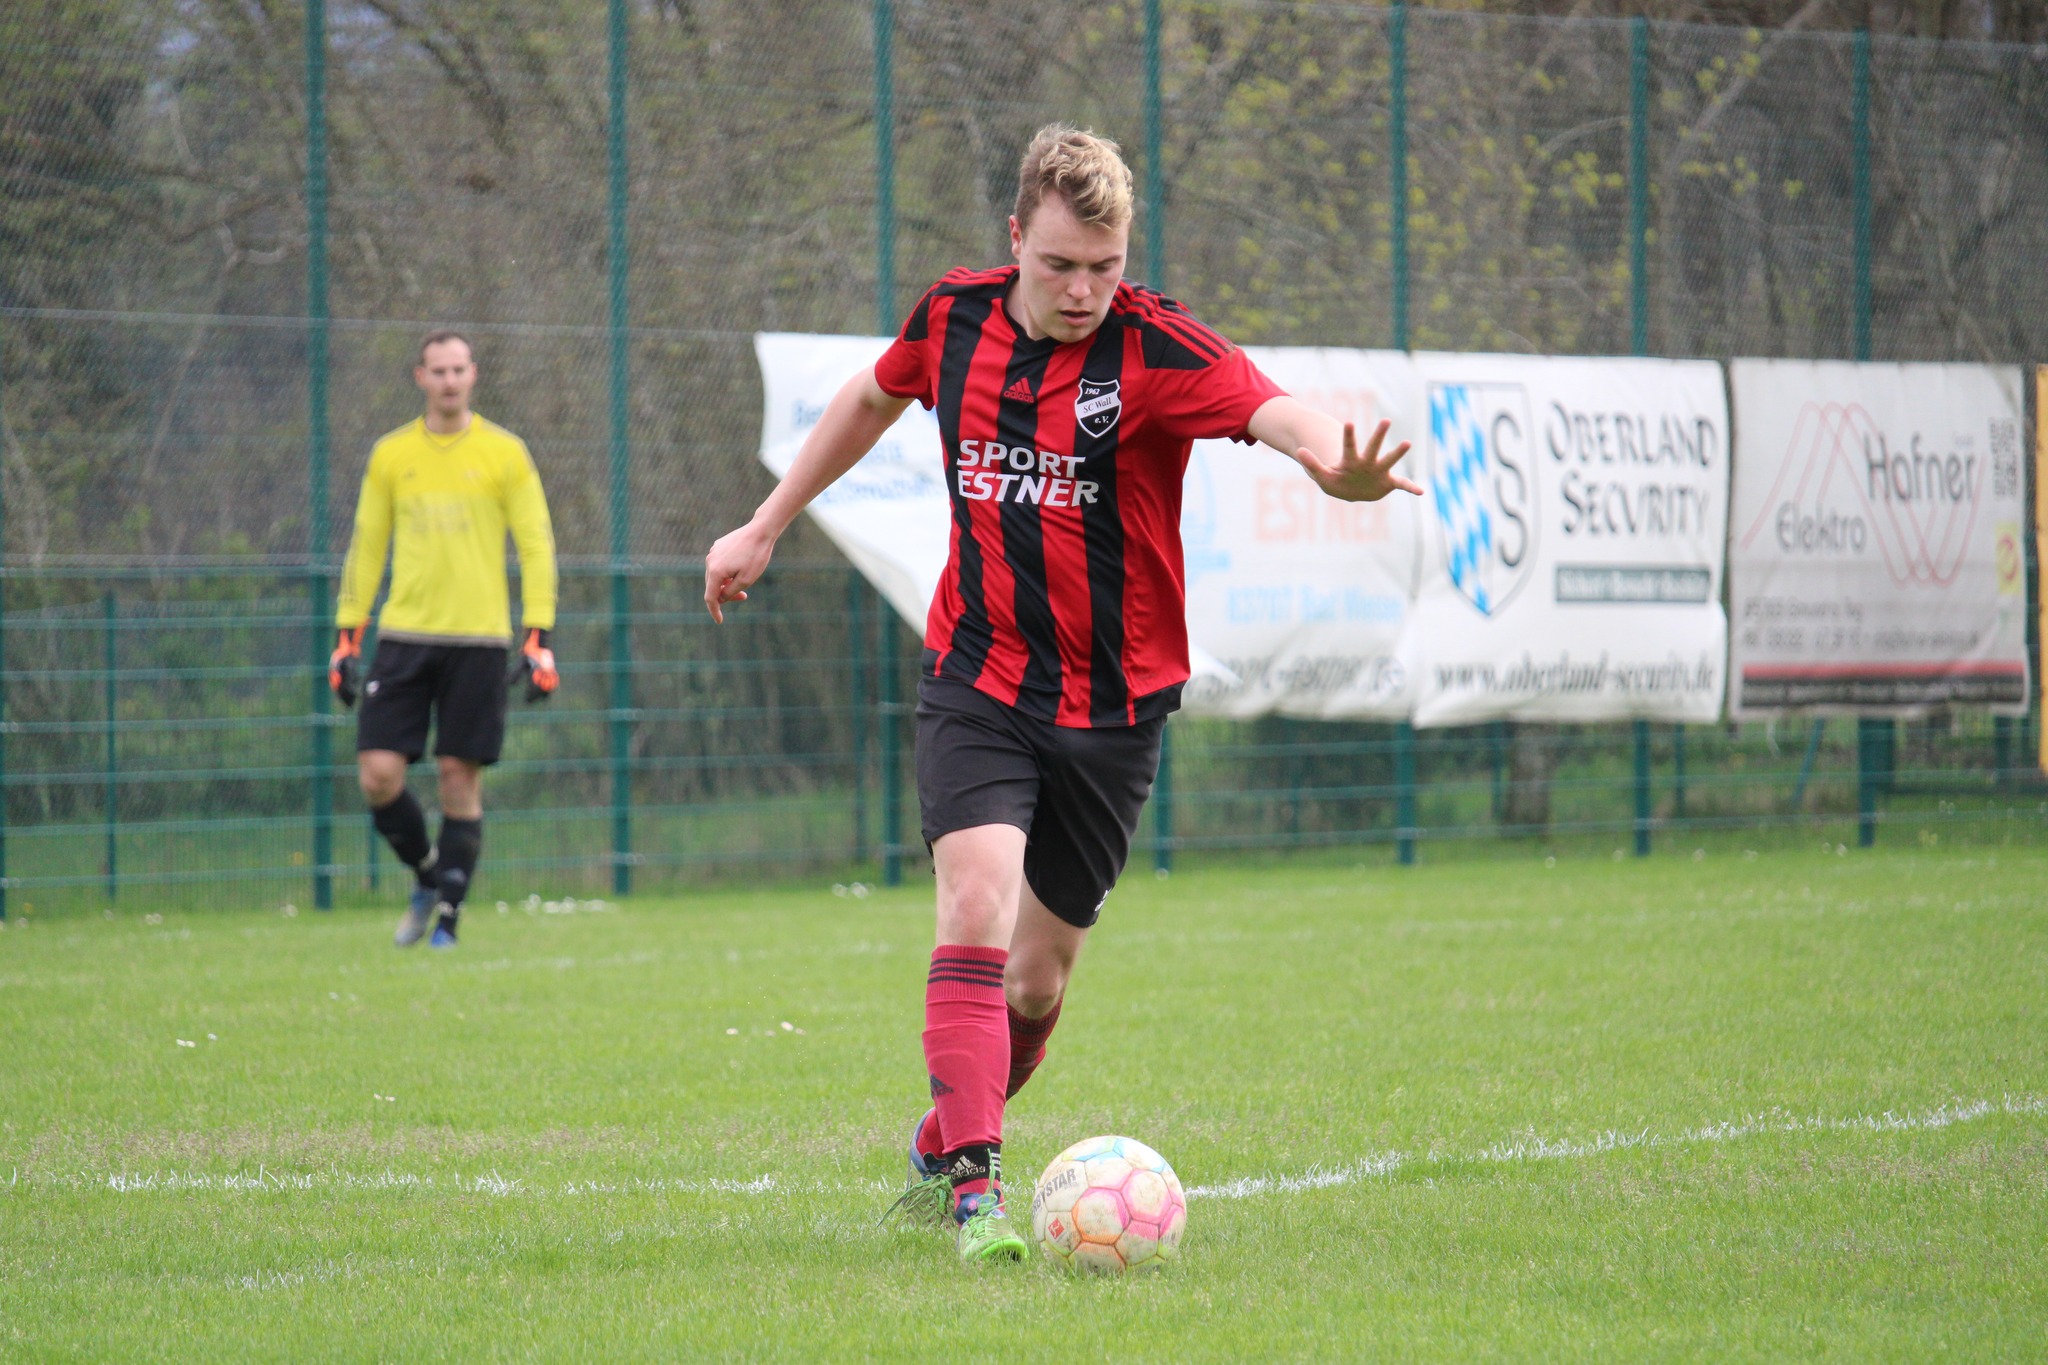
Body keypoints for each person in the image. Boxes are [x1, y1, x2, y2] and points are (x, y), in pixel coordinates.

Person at [702, 125, 1419, 1263]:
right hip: (977, 675)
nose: (1084, 289)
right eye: (1059, 265)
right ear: (1014, 242)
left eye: (1104, 264)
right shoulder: (953, 317)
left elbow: (1272, 409)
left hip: (1113, 706)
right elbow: (867, 400)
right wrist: (764, 522)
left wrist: (1333, 461)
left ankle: (945, 1135)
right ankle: (977, 1196)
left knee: (1034, 988)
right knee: (972, 906)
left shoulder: (1153, 347)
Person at [330, 330, 560, 949]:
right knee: (378, 773)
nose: (451, 380)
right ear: (420, 378)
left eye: (460, 369)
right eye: (439, 370)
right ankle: (430, 877)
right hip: (404, 635)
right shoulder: (391, 454)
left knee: (460, 774)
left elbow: (536, 542)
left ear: (474, 374)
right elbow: (366, 545)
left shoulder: (506, 453)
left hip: (479, 639)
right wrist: (346, 637)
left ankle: (449, 921)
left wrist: (538, 636)